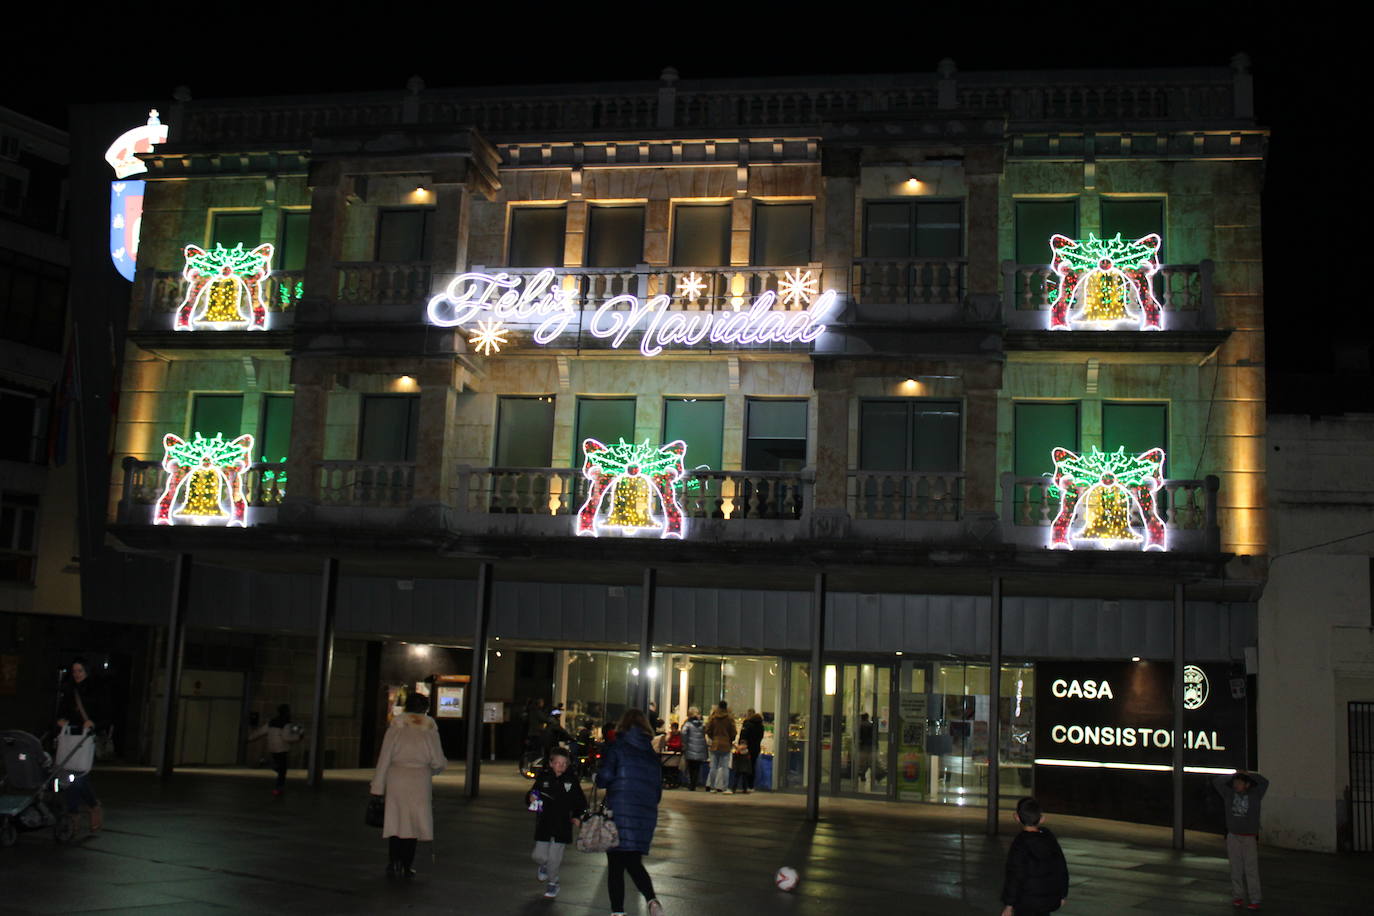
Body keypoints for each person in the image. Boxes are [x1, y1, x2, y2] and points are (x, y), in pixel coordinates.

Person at [595, 709, 666, 916]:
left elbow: (605, 777)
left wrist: (598, 777)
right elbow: (657, 792)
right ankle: (652, 900)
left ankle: (618, 912)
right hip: (644, 815)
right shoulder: (651, 755)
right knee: (634, 861)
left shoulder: (617, 748)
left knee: (616, 865)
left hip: (618, 812)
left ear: (622, 725)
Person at [370, 691, 447, 878]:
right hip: (419, 779)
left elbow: (384, 758)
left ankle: (392, 862)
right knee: (413, 822)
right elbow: (438, 761)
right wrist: (433, 770)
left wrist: (377, 787)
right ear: (425, 708)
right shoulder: (429, 726)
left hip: (397, 777)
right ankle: (406, 864)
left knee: (396, 820)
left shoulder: (396, 724)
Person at [527, 746, 587, 899]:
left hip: (562, 825)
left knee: (554, 859)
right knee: (538, 855)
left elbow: (580, 802)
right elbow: (534, 792)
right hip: (545, 823)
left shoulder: (571, 781)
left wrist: (577, 816)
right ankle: (543, 866)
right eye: (558, 763)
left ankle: (553, 883)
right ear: (551, 763)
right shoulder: (544, 778)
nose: (561, 766)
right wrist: (531, 797)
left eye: (564, 763)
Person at [55, 658, 106, 831]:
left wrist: (93, 723)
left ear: (87, 672)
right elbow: (62, 710)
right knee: (72, 776)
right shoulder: (69, 689)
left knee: (77, 776)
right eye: (74, 671)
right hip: (70, 736)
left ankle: (76, 813)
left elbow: (104, 711)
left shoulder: (96, 690)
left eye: (80, 671)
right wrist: (60, 720)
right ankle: (91, 807)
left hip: (86, 738)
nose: (76, 674)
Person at [1000, 797, 1069, 916]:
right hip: (1048, 899)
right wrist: (1062, 893)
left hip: (1025, 902)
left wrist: (1009, 904)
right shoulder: (1049, 838)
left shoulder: (1019, 843)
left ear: (1016, 817)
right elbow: (1061, 867)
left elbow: (1015, 875)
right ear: (1042, 819)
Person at [1214, 769, 1269, 910]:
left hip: (1248, 837)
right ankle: (1238, 896)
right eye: (1235, 783)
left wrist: (1249, 774)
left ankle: (1255, 898)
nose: (1236, 785)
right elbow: (1217, 782)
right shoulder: (1229, 794)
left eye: (1239, 783)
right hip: (1233, 835)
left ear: (1247, 785)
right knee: (1235, 867)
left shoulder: (1255, 795)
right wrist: (1233, 775)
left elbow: (1264, 782)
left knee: (1251, 868)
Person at [248, 704, 302, 797]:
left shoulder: (271, 722)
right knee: (282, 770)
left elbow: (260, 732)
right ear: (287, 712)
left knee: (279, 767)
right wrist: (298, 737)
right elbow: (287, 737)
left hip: (272, 748)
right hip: (282, 749)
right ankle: (278, 788)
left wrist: (249, 738)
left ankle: (268, 764)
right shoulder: (287, 723)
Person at [704, 701, 736, 794]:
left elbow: (708, 730)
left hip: (715, 744)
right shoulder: (729, 718)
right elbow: (733, 732)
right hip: (726, 745)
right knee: (725, 767)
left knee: (713, 767)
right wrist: (730, 740)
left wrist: (713, 738)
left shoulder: (713, 718)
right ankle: (725, 788)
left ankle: (712, 787)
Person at [680, 708, 707, 790]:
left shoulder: (687, 723)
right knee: (697, 767)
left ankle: (691, 784)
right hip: (700, 748)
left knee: (691, 767)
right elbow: (705, 732)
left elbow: (683, 732)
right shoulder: (702, 724)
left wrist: (685, 743)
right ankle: (695, 783)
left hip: (690, 748)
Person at [739, 709, 764, 793]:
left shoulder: (747, 724)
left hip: (747, 748)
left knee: (744, 767)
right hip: (756, 749)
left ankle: (744, 785)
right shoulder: (761, 726)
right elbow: (760, 737)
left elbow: (743, 737)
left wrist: (741, 745)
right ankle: (751, 785)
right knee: (752, 767)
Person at [856, 712, 876, 783]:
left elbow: (857, 736)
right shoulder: (871, 725)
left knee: (863, 761)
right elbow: (874, 736)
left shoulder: (859, 725)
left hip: (862, 746)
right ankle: (870, 776)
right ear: (867, 717)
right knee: (869, 761)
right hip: (870, 745)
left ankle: (862, 774)